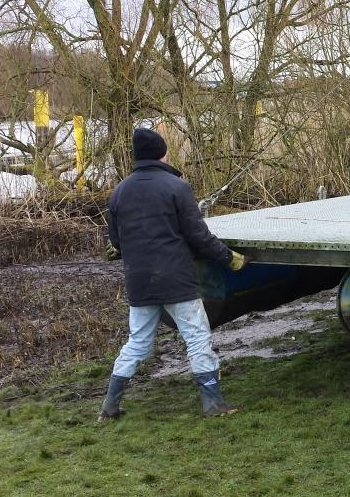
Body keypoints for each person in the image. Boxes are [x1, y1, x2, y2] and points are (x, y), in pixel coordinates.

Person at [100, 128, 249, 421]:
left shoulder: (119, 192)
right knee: (197, 338)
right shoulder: (176, 187)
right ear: (161, 153)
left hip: (139, 282)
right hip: (176, 280)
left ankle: (109, 406)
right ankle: (212, 403)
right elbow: (198, 236)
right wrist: (230, 259)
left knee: (138, 342)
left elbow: (116, 242)